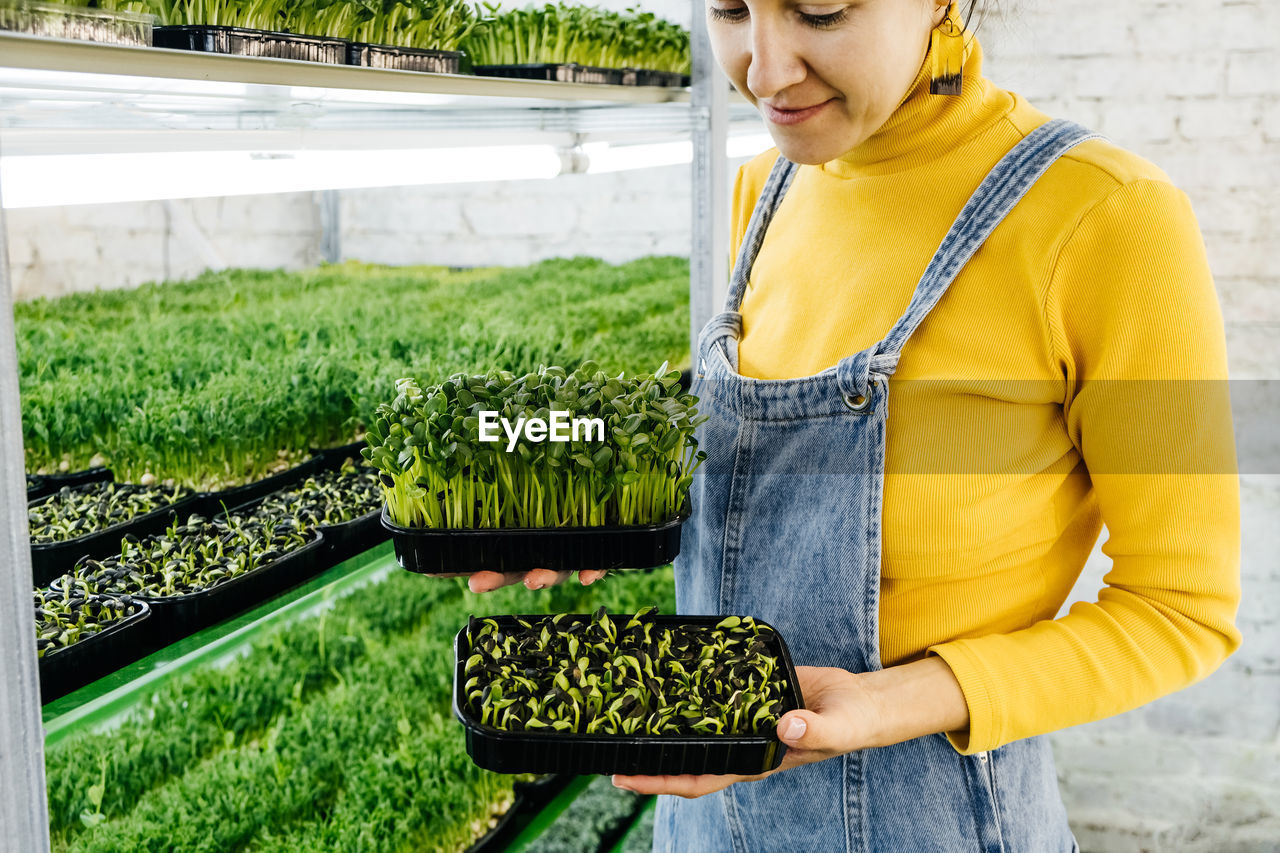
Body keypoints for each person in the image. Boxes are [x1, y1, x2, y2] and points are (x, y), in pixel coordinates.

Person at [470, 1, 1242, 849]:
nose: (763, 72)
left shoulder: (1106, 217)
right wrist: (594, 517)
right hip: (706, 822)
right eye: (729, 9)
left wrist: (881, 704)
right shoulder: (760, 189)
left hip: (938, 821)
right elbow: (769, 496)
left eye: (821, 11)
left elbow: (1180, 610)